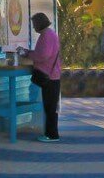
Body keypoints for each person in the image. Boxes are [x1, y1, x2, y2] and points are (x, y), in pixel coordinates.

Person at [18, 12, 61, 142]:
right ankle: (51, 133)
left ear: (39, 23)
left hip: (49, 76)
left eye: (34, 24)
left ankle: (51, 135)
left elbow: (43, 55)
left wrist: (27, 54)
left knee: (50, 107)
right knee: (51, 107)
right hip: (53, 75)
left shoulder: (46, 35)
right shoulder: (50, 34)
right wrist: (29, 52)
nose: (33, 27)